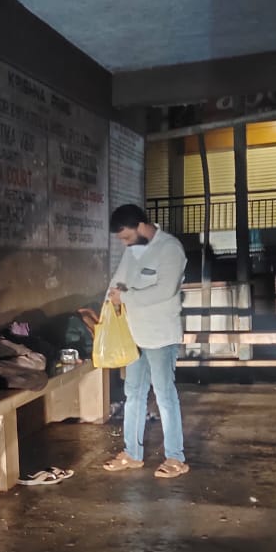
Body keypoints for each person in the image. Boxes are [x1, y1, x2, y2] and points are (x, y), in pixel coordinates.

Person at [97, 203, 189, 478]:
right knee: (133, 394)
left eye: (126, 236)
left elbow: (165, 290)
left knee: (164, 396)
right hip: (133, 335)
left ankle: (175, 458)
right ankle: (132, 453)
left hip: (160, 335)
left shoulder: (170, 249)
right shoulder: (133, 250)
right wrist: (107, 306)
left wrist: (125, 297)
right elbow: (118, 281)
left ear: (140, 226)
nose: (125, 243)